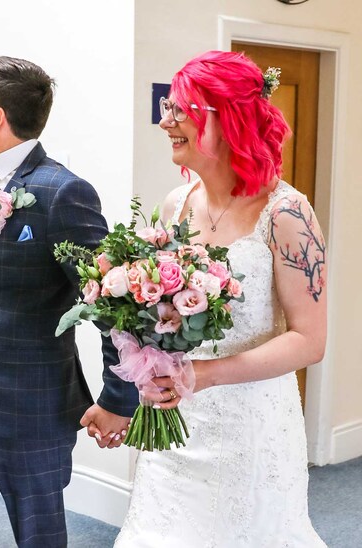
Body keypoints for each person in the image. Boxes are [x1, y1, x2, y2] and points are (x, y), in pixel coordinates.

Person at [0, 56, 138, 547]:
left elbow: (111, 305)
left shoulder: (63, 193)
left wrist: (118, 400)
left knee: (38, 539)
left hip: (31, 407)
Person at [114, 50, 327, 546]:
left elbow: (309, 341)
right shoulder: (176, 204)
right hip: (178, 421)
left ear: (227, 119)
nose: (166, 121)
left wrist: (204, 375)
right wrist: (149, 367)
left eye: (181, 110)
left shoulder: (287, 213)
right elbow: (161, 318)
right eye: (168, 107)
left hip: (251, 427)